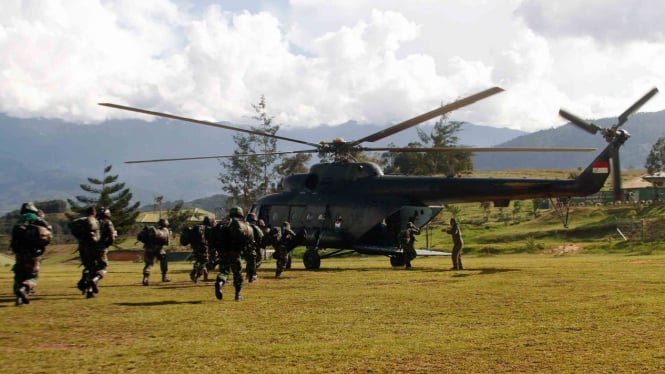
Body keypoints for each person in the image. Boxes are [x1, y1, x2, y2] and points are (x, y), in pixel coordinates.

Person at [10, 202, 52, 306]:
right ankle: (24, 288)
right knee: (32, 276)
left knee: (19, 274)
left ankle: (20, 298)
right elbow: (49, 229)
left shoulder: (20, 221)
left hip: (20, 253)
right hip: (33, 252)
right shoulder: (36, 218)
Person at [215, 206, 253, 301]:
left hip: (223, 252)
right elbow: (248, 240)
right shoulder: (242, 224)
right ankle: (238, 294)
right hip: (235, 252)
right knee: (237, 273)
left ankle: (219, 283)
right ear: (241, 214)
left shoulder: (223, 223)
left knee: (224, 271)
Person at [86, 206, 116, 295]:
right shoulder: (107, 222)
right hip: (100, 248)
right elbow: (111, 237)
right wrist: (107, 244)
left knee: (92, 269)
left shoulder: (93, 222)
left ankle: (90, 291)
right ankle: (94, 280)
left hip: (89, 248)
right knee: (103, 267)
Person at [73, 206, 101, 298]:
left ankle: (84, 285)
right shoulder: (94, 221)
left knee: (88, 267)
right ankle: (89, 289)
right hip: (93, 247)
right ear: (94, 213)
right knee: (96, 268)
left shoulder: (81, 221)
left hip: (82, 247)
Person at [141, 218, 171, 286]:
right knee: (164, 259)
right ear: (166, 224)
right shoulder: (164, 230)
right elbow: (167, 243)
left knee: (149, 264)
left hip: (148, 249)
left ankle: (145, 279)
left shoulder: (152, 231)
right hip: (158, 249)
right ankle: (164, 277)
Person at [189, 217, 212, 283]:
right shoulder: (207, 228)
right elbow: (209, 238)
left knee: (199, 260)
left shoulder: (198, 227)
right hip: (203, 247)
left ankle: (194, 274)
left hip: (195, 246)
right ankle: (197, 277)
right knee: (204, 261)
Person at [245, 213, 264, 283]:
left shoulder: (244, 226)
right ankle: (253, 274)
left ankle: (249, 273)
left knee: (249, 261)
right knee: (258, 259)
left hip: (245, 247)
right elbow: (260, 236)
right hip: (254, 246)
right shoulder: (254, 227)